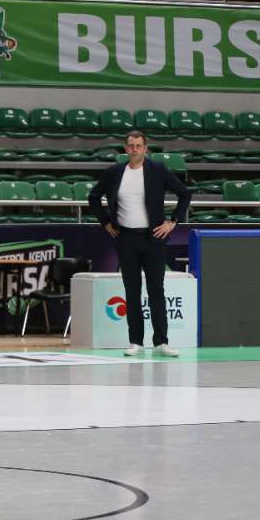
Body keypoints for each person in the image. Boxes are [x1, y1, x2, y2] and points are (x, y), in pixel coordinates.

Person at [87, 131, 191, 357]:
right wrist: (105, 222)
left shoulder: (157, 170)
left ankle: (162, 341)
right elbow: (94, 197)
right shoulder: (115, 173)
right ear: (125, 149)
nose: (134, 149)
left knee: (156, 290)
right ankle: (135, 341)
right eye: (130, 146)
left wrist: (173, 222)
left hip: (154, 238)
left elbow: (184, 193)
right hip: (126, 239)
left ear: (146, 149)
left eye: (138, 146)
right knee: (132, 291)